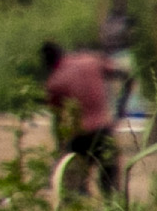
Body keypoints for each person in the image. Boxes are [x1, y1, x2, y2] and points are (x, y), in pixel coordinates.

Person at [43, 37, 125, 199]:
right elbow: (126, 75)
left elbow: (58, 121)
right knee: (111, 188)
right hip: (104, 132)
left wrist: (61, 150)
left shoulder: (54, 82)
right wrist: (121, 107)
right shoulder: (90, 60)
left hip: (80, 138)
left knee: (75, 188)